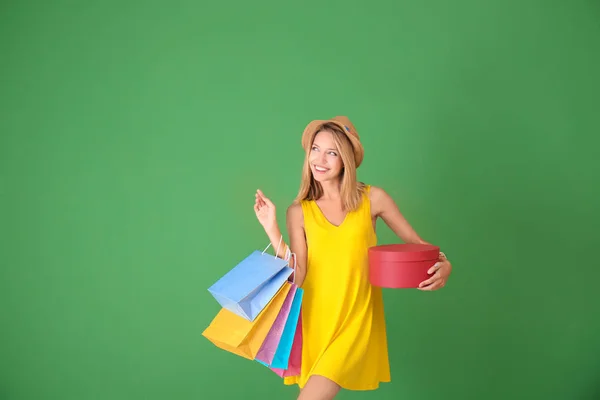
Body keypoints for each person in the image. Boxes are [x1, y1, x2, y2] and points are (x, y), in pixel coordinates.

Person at [253, 116, 453, 400]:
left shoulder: (373, 199)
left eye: (331, 152)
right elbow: (297, 275)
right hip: (315, 321)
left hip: (356, 319)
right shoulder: (299, 212)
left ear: (346, 159)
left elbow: (420, 246)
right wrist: (271, 229)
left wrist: (446, 264)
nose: (320, 159)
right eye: (315, 149)